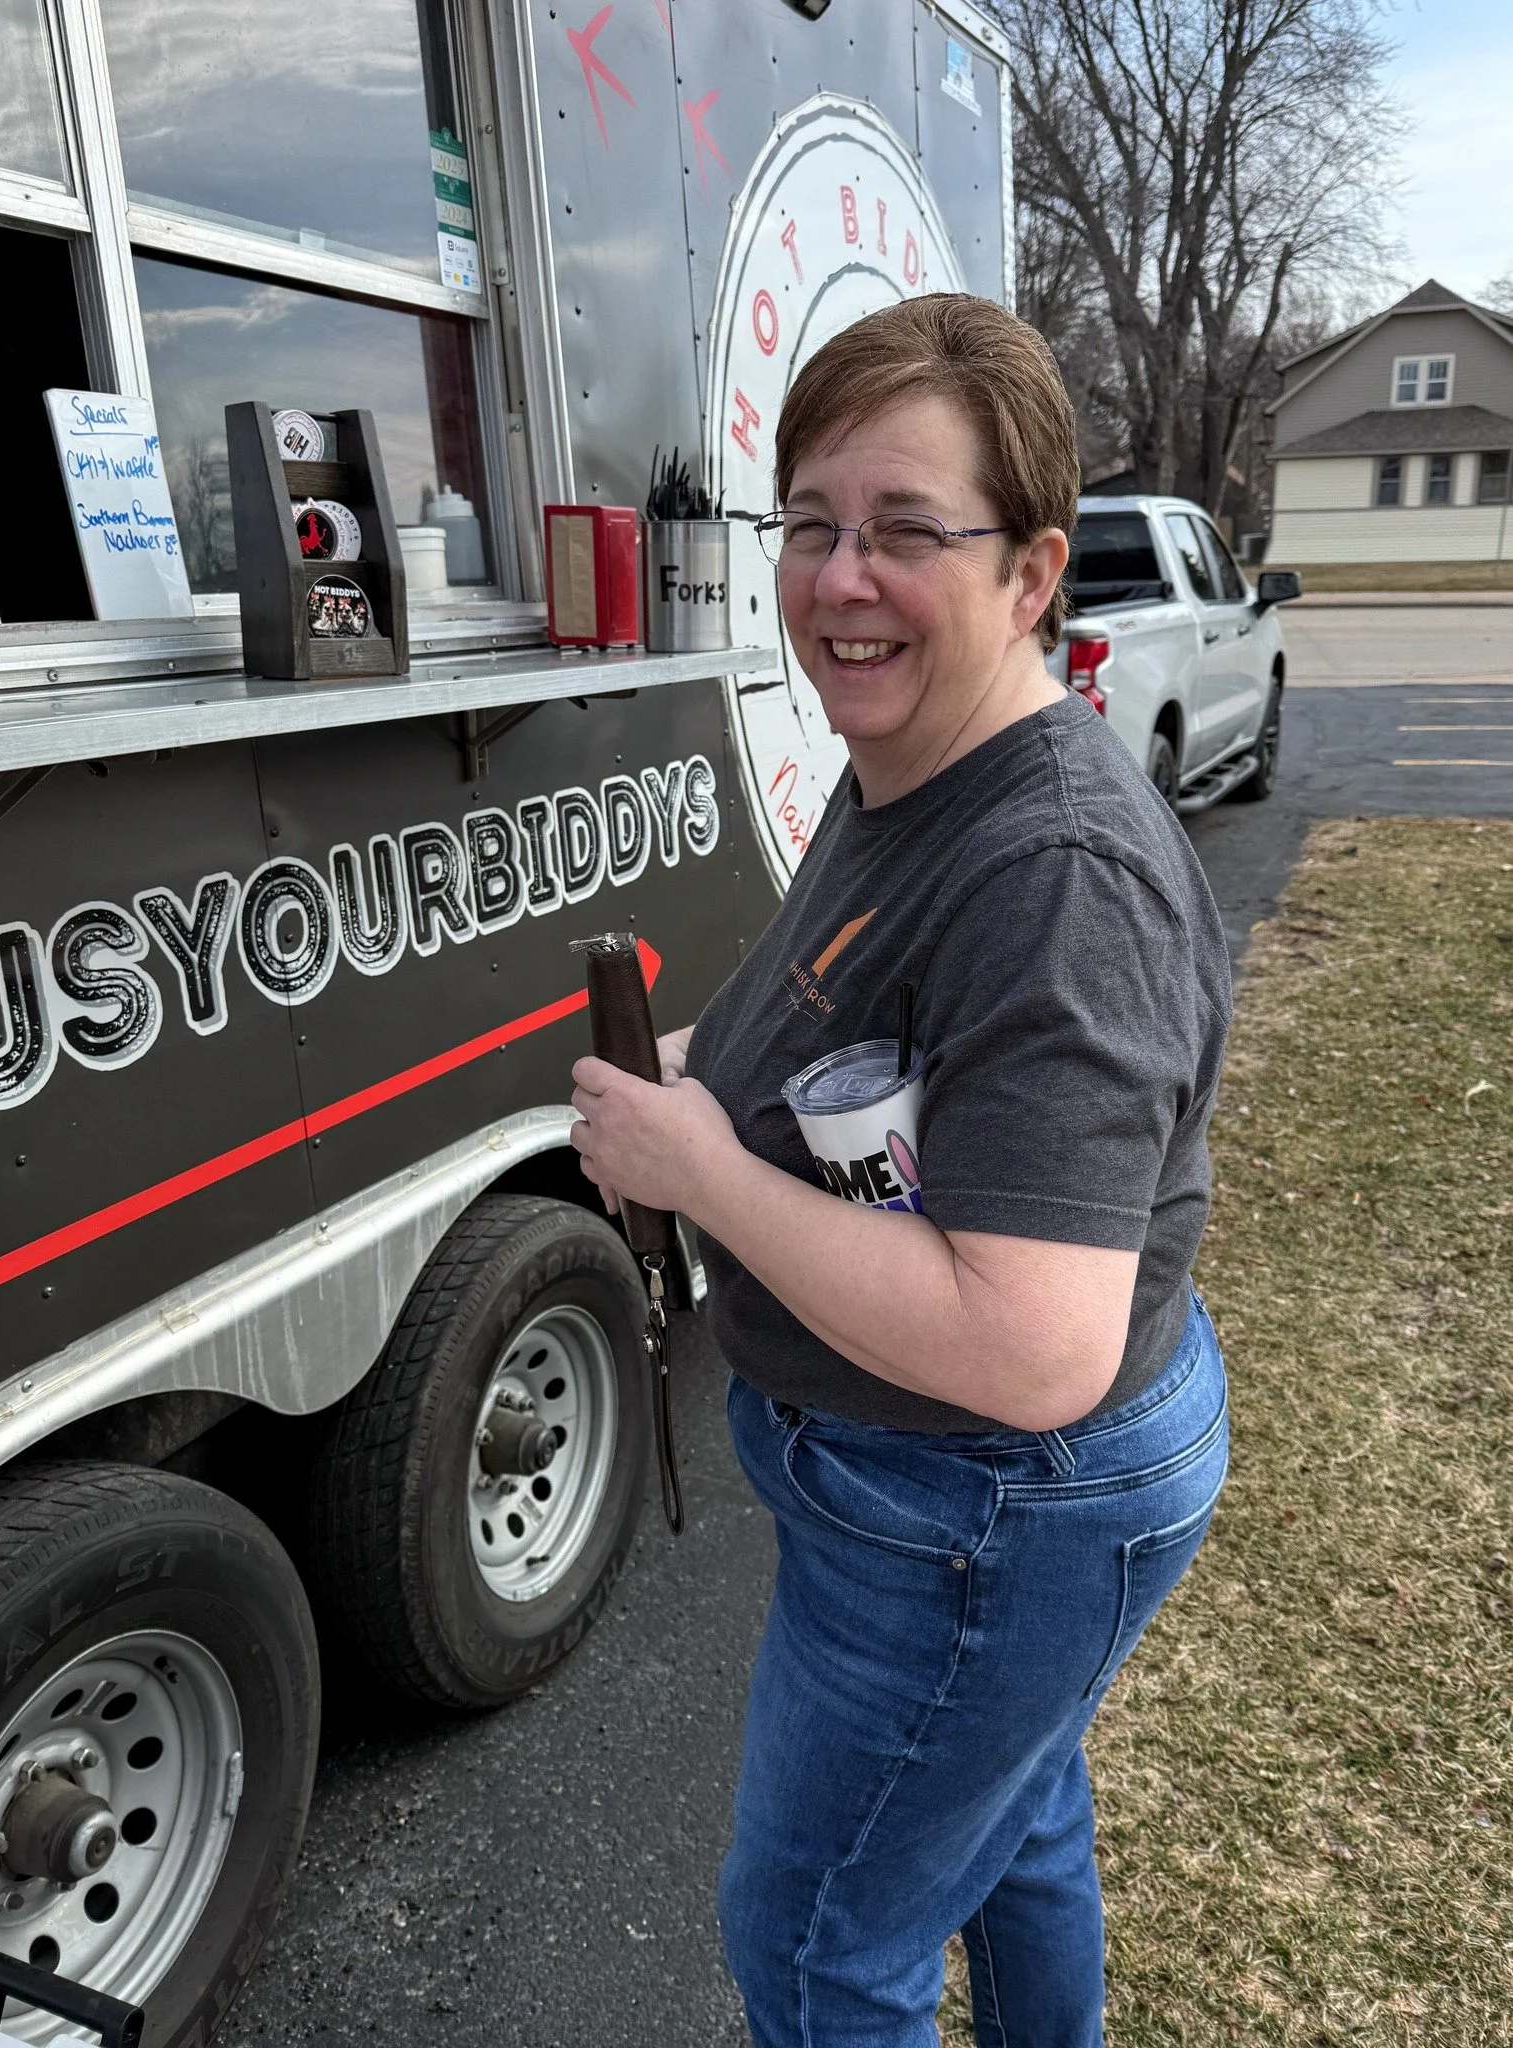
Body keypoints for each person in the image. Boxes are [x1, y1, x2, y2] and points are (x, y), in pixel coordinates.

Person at [569, 293, 1232, 2048]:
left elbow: (1030, 1349)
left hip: (986, 1506)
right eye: (809, 524)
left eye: (903, 533)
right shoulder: (907, 765)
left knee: (811, 1942)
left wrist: (701, 1175)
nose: (837, 579)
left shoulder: (1055, 874)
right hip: (969, 1500)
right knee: (1009, 1821)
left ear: (1027, 574)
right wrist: (707, 1085)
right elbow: (887, 1061)